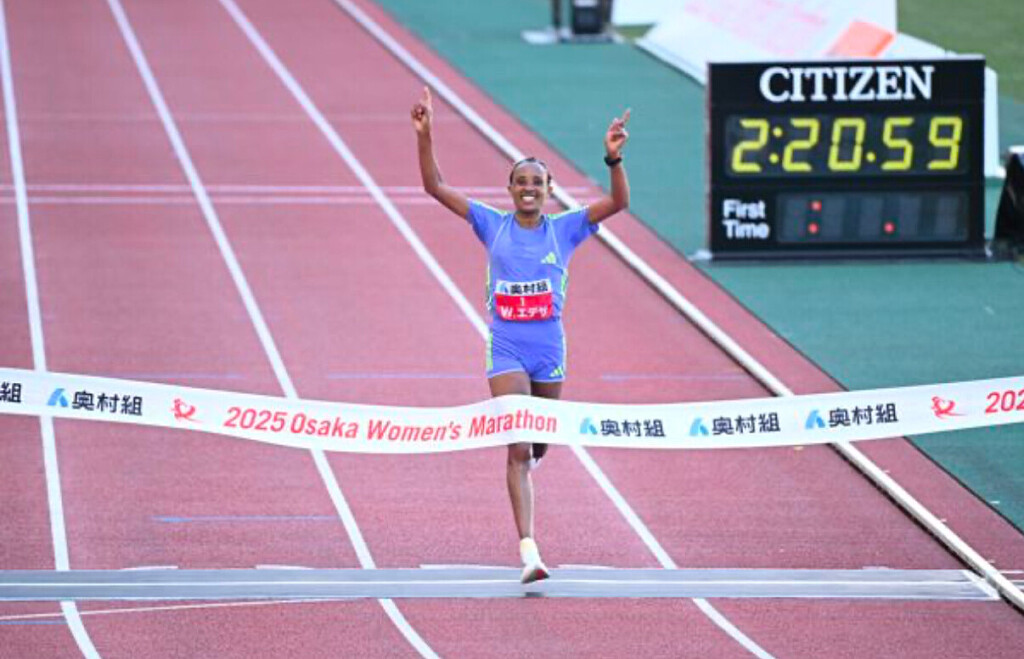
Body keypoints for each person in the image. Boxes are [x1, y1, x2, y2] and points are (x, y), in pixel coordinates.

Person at [411, 87, 630, 583]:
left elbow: (619, 202)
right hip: (507, 348)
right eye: (521, 182)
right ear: (510, 190)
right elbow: (434, 186)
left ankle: (534, 457)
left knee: (538, 445)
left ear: (549, 189)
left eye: (537, 182)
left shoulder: (566, 229)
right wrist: (425, 136)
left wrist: (613, 158)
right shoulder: (491, 225)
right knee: (516, 447)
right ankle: (529, 550)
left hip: (549, 351)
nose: (529, 188)